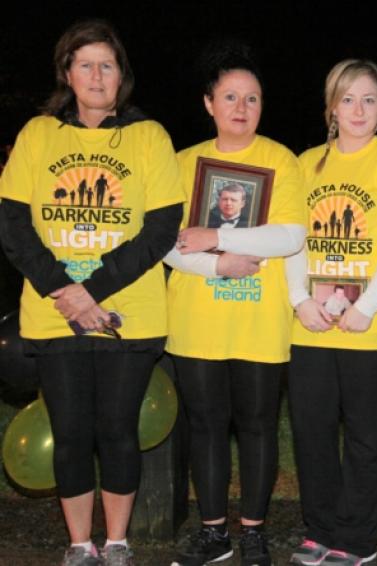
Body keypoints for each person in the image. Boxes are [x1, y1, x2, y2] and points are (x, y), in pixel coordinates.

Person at [0, 19, 184, 566]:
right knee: (73, 432)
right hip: (55, 313)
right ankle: (80, 545)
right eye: (86, 64)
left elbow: (160, 229)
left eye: (107, 64)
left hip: (128, 313)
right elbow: (13, 224)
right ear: (67, 73)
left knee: (117, 431)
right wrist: (64, 288)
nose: (97, 75)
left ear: (121, 74)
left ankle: (119, 542)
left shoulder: (149, 136)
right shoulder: (38, 134)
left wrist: (92, 290)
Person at [162, 43, 305, 566]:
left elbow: (289, 236)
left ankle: (253, 532)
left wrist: (216, 235)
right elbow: (169, 244)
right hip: (197, 319)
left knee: (259, 425)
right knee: (204, 425)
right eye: (229, 97)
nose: (241, 107)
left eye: (252, 97)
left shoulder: (281, 160)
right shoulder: (181, 163)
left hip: (260, 321)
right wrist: (220, 264)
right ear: (209, 103)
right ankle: (214, 533)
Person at [285, 59, 377, 566]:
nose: (358, 109)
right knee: (312, 430)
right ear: (331, 107)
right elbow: (292, 241)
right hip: (312, 325)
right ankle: (319, 529)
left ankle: (358, 538)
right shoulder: (304, 165)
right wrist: (300, 300)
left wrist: (365, 306)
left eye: (369, 99)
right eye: (348, 98)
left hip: (372, 326)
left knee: (363, 432)